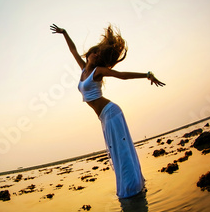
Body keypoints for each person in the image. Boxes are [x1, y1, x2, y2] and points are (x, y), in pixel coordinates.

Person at [50, 24, 165, 199]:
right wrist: (65, 33)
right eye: (94, 52)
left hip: (112, 113)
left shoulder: (98, 71)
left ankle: (132, 190)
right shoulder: (83, 70)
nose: (96, 54)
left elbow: (122, 75)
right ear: (88, 54)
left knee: (122, 151)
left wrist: (147, 74)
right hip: (105, 118)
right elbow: (73, 50)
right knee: (117, 152)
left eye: (98, 53)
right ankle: (130, 188)